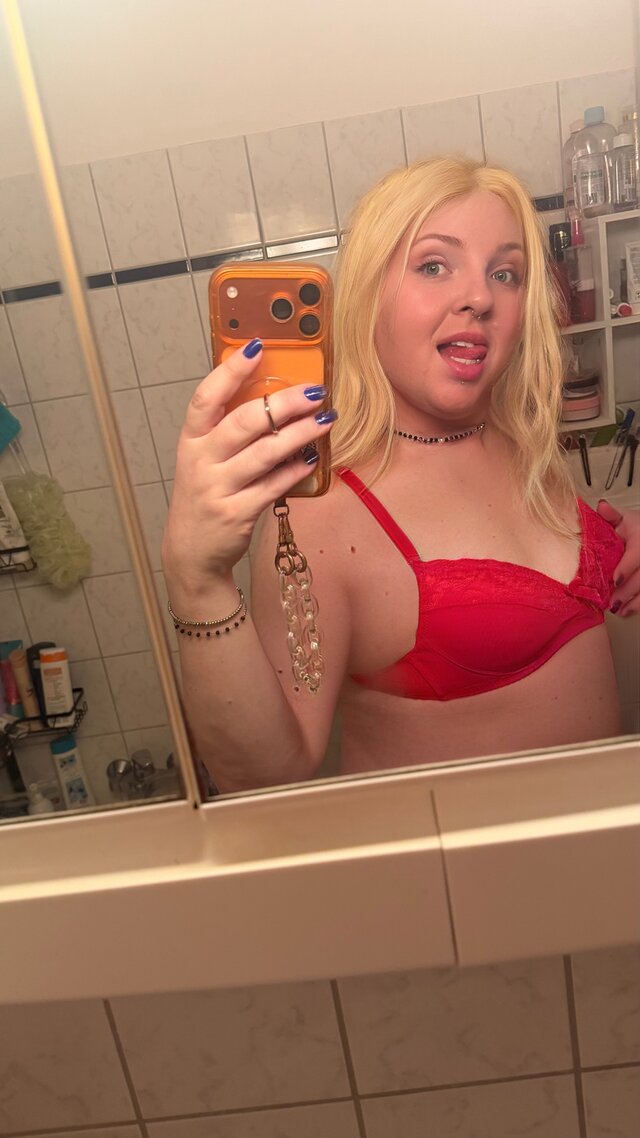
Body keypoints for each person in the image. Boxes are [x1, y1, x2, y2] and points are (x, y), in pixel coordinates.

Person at [162, 156, 640, 794]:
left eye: (505, 273)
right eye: (434, 265)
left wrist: (621, 546)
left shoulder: (522, 444)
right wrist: (197, 583)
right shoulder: (322, 509)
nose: (480, 297)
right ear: (370, 293)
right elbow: (265, 777)